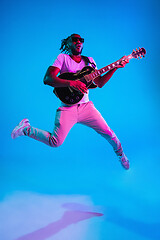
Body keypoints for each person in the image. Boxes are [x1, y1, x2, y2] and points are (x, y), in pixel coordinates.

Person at [11, 33, 130, 170]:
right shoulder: (62, 58)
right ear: (67, 43)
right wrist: (72, 83)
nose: (78, 42)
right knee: (55, 142)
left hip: (86, 107)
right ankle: (26, 129)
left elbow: (100, 82)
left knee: (109, 133)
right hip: (67, 108)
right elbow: (48, 79)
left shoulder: (90, 61)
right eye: (74, 40)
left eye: (81, 40)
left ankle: (121, 155)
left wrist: (115, 66)